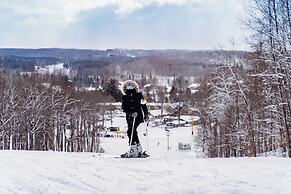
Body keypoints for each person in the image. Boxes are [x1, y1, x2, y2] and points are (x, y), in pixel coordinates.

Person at [121, 80, 149, 157]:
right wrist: (130, 113)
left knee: (131, 131)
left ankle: (133, 148)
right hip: (130, 117)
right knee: (132, 131)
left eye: (131, 87)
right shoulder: (125, 97)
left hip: (138, 116)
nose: (130, 88)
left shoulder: (139, 95)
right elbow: (124, 108)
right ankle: (138, 147)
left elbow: (144, 105)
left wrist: (146, 114)